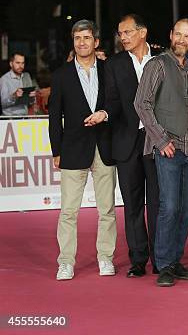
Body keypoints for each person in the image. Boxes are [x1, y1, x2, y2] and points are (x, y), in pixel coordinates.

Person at [84, 14, 160, 277]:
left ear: (142, 32)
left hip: (157, 142)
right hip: (126, 141)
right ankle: (138, 259)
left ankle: (161, 258)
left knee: (159, 202)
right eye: (120, 33)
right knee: (133, 203)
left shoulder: (161, 60)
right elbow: (112, 100)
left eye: (127, 32)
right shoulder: (114, 65)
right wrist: (104, 113)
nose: (123, 37)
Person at [133, 18, 188, 287]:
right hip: (169, 149)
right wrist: (161, 140)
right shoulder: (158, 65)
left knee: (187, 211)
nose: (182, 40)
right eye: (179, 35)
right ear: (171, 35)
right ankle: (163, 265)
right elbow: (142, 103)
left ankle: (175, 261)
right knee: (169, 208)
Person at [48, 20, 117, 280]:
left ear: (96, 41)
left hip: (104, 146)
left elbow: (115, 102)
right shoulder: (61, 74)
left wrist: (105, 114)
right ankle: (65, 261)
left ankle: (105, 258)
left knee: (107, 209)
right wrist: (57, 150)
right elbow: (54, 117)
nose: (82, 43)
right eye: (77, 38)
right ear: (73, 41)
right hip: (73, 149)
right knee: (68, 211)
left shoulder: (108, 69)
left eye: (87, 38)